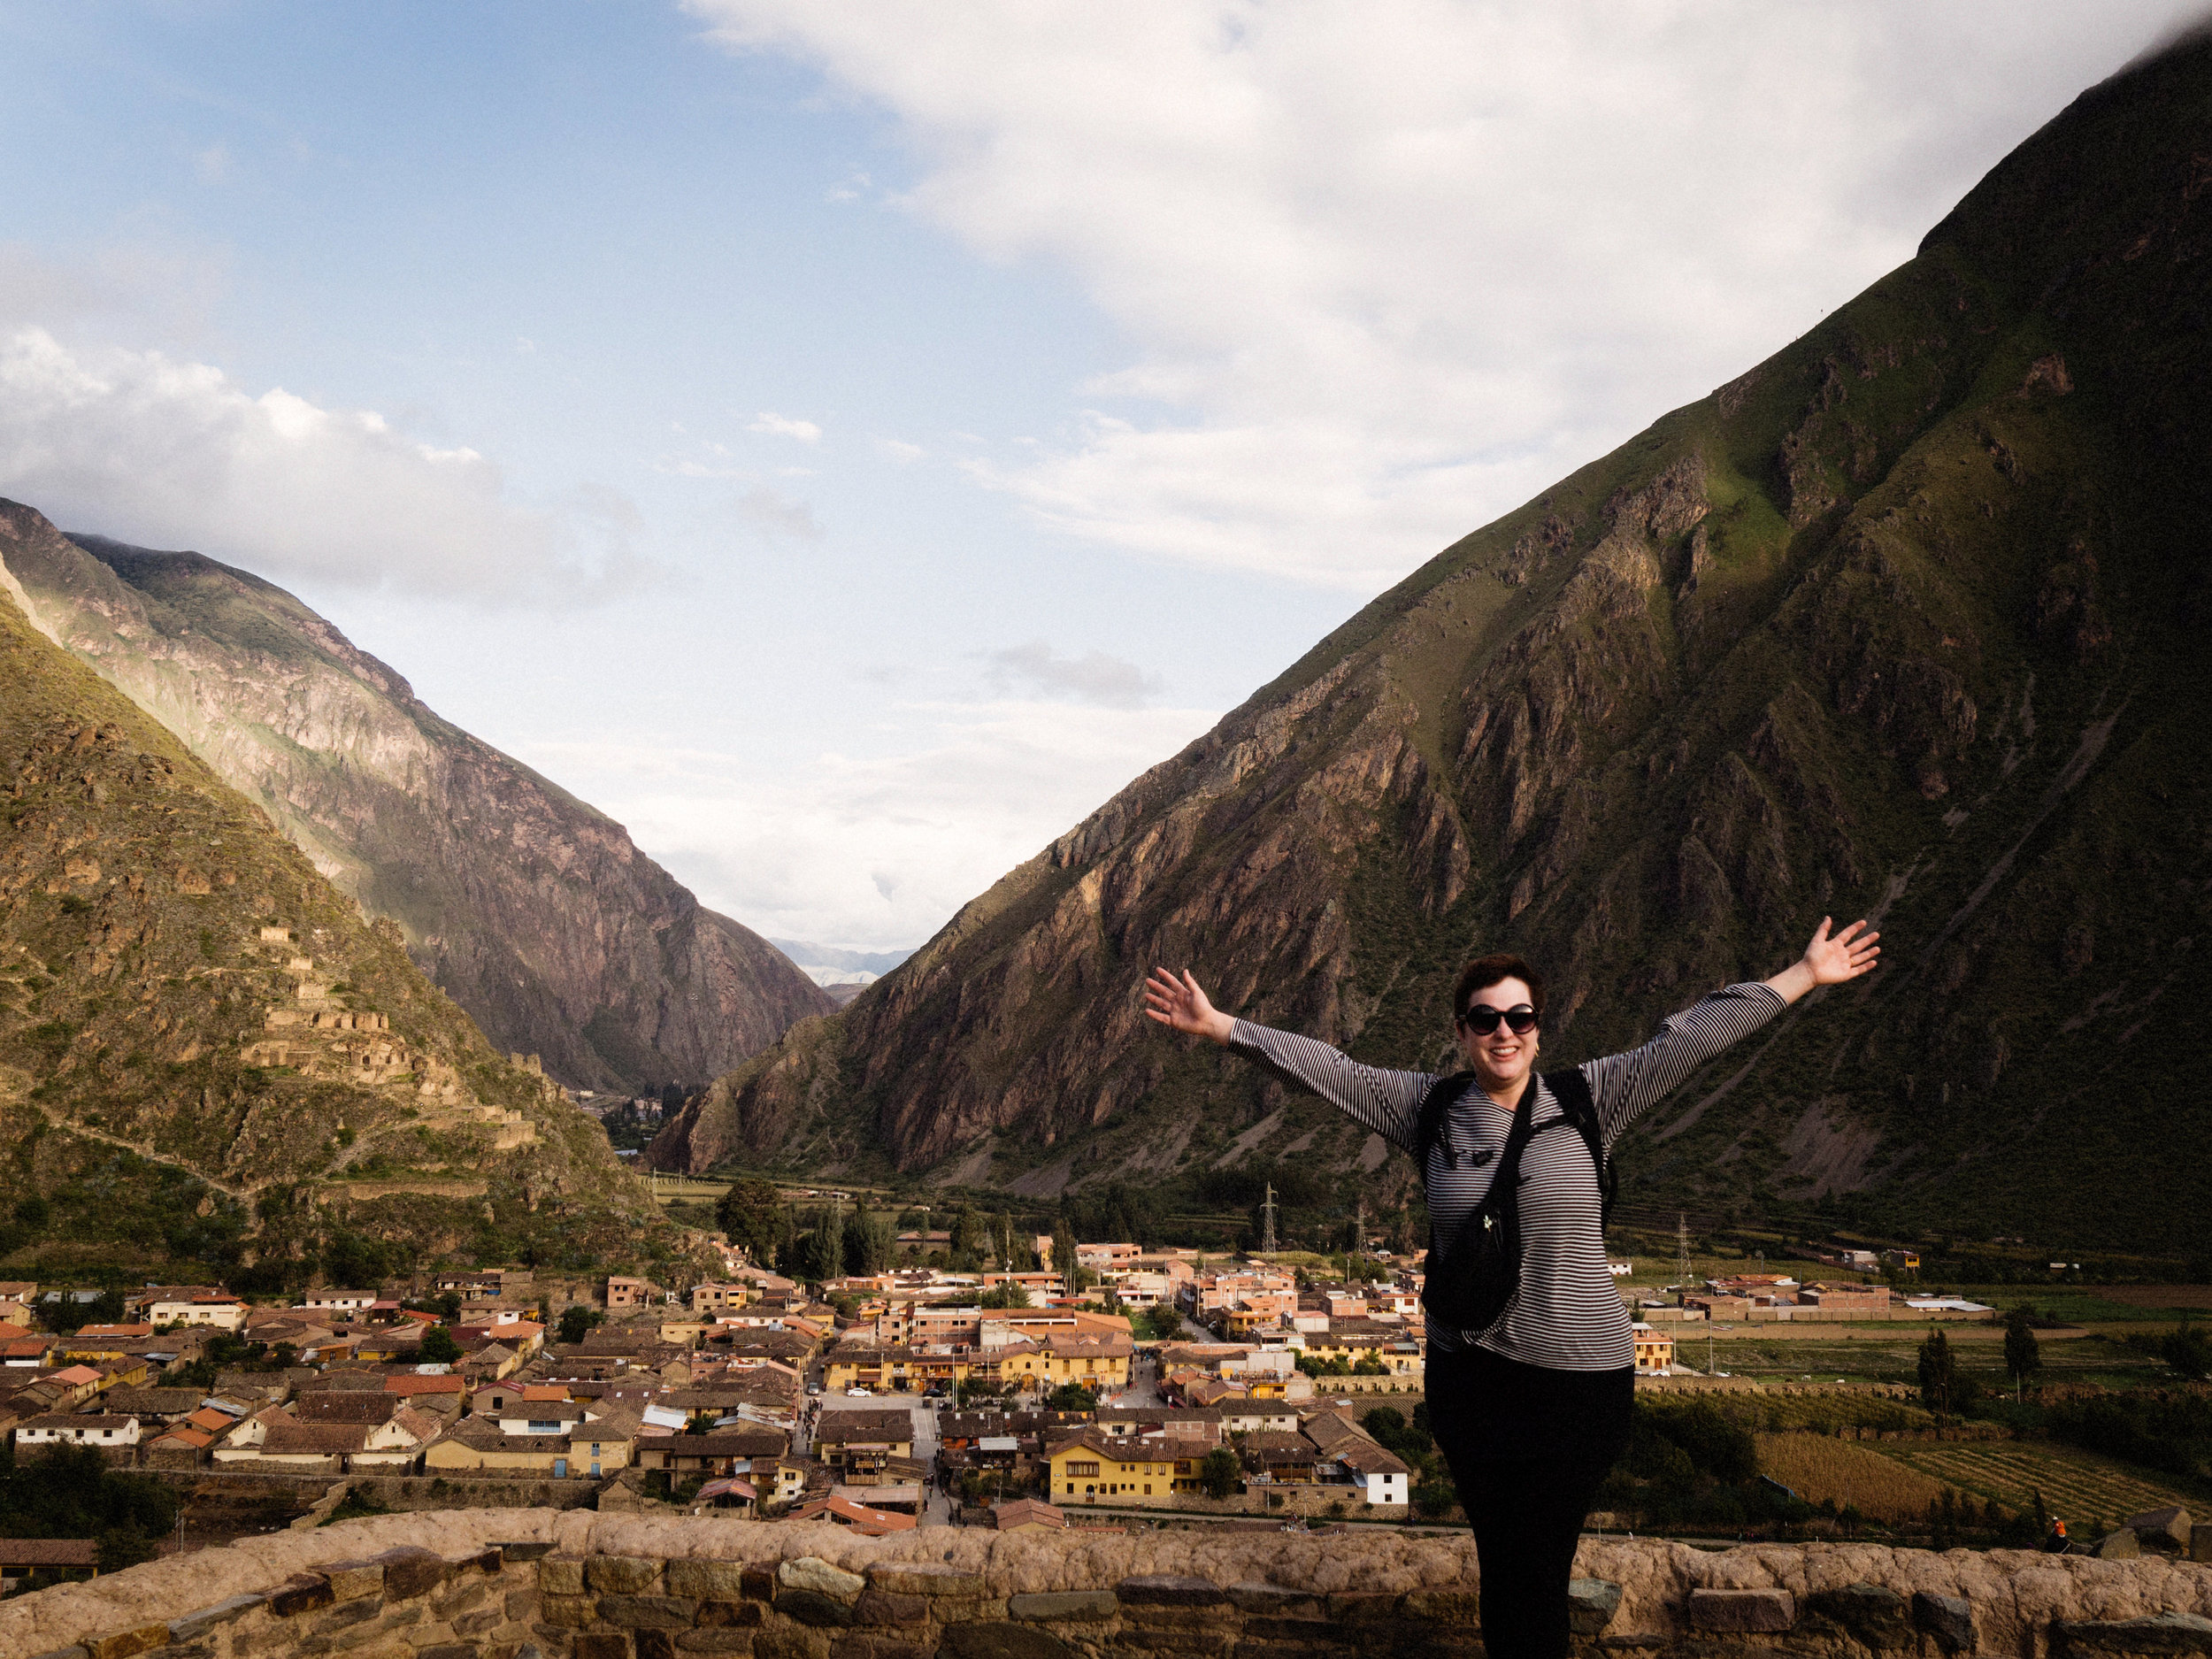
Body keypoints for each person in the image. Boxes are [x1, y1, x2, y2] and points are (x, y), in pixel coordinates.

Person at [1144, 918, 1880, 1659]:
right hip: (1472, 1383)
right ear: (1463, 1031)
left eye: (1520, 1016)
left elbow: (1690, 1039)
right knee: (1505, 1559)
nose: (1506, 1031)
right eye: (1487, 1018)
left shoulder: (1591, 1097)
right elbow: (1328, 1067)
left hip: (1580, 1382)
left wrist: (1804, 975)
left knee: (1539, 1558)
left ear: (1539, 1026)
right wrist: (1219, 1025)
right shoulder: (1426, 1109)